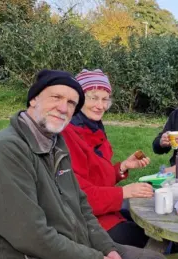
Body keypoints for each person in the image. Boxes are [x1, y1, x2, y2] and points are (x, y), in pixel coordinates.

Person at [0, 69, 168, 259]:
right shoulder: (7, 149)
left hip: (74, 240)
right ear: (33, 99)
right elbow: (29, 235)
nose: (62, 108)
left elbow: (81, 204)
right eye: (56, 97)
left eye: (71, 103)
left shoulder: (56, 143)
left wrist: (108, 249)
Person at [61, 69, 153, 248]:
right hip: (87, 225)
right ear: (78, 99)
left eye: (104, 99)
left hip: (107, 213)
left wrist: (122, 167)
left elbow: (96, 178)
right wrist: (125, 192)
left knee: (149, 220)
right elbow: (80, 197)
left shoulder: (93, 128)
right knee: (153, 238)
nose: (100, 105)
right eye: (93, 98)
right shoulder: (68, 135)